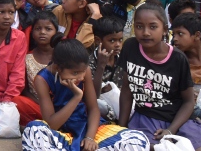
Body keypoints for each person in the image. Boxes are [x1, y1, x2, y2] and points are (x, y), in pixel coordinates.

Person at [117, 3, 201, 150]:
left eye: (153, 27)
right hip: (146, 117)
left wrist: (170, 130)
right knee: (149, 147)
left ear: (164, 29)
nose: (145, 32)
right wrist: (121, 128)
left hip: (178, 118)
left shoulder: (177, 58)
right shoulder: (130, 47)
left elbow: (188, 102)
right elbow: (127, 91)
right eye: (139, 26)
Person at [21, 39, 151, 151]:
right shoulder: (42, 79)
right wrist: (76, 97)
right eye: (75, 73)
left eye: (83, 72)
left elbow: (93, 109)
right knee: (33, 130)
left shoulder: (85, 71)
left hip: (89, 128)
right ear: (58, 68)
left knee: (137, 139)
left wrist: (89, 138)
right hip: (61, 134)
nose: (81, 77)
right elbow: (52, 124)